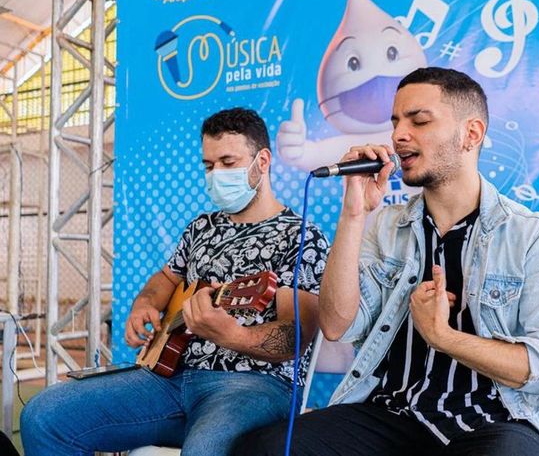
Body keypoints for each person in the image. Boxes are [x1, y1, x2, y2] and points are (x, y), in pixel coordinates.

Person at [237, 68, 539, 456]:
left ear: (471, 134)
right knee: (268, 448)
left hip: (494, 421)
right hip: (394, 414)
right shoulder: (387, 227)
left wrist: (444, 337)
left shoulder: (533, 238)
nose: (399, 135)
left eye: (419, 121)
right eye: (396, 122)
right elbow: (338, 324)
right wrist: (354, 213)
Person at [21, 108, 329, 456]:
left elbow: (295, 335)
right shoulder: (201, 227)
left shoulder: (302, 237)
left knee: (204, 449)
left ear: (263, 161)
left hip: (256, 384)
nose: (216, 174)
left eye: (228, 162)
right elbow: (167, 278)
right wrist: (145, 303)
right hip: (168, 376)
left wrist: (233, 335)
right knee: (44, 415)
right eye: (209, 166)